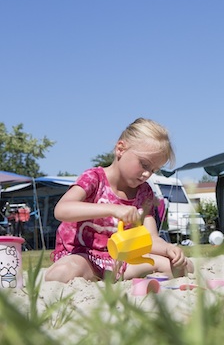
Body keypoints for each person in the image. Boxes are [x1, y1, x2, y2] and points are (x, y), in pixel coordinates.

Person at [45, 118, 194, 283]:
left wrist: (168, 248)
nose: (147, 174)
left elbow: (150, 238)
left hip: (123, 262)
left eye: (153, 170)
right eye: (144, 164)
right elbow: (62, 210)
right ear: (120, 149)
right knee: (66, 270)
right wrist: (112, 209)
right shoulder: (94, 178)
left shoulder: (144, 192)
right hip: (84, 258)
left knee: (182, 266)